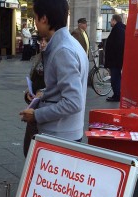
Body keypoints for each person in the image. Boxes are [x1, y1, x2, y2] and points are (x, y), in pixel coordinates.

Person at [20, 0, 89, 142]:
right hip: (66, 132)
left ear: (44, 18)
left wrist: (37, 115)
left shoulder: (63, 50)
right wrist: (43, 93)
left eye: (36, 18)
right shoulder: (70, 44)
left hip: (59, 135)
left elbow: (73, 102)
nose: (36, 24)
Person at [23, 37, 47, 157]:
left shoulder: (55, 59)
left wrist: (42, 93)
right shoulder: (37, 58)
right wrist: (28, 93)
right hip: (33, 107)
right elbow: (32, 81)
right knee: (28, 149)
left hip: (46, 109)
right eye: (40, 41)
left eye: (45, 41)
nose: (42, 44)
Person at [105, 14, 126, 102]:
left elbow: (117, 46)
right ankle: (116, 94)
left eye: (111, 20)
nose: (110, 21)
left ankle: (117, 95)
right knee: (116, 78)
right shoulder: (120, 29)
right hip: (116, 60)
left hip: (115, 61)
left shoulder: (118, 30)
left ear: (114, 20)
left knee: (115, 78)